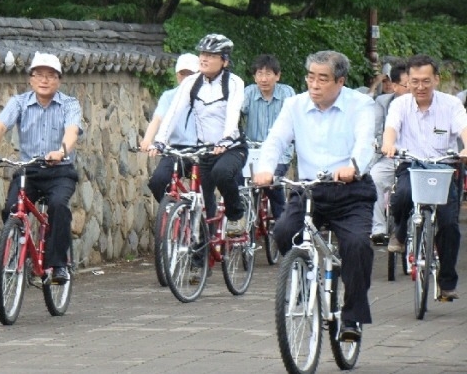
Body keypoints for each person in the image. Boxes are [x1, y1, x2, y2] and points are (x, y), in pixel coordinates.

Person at [254, 50, 377, 342]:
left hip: (351, 190)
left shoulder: (361, 104)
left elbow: (365, 141)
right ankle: (304, 283)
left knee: (357, 246)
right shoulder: (294, 105)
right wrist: (264, 169)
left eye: (323, 78)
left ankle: (352, 316)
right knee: (284, 231)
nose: (315, 85)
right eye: (311, 77)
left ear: (340, 81)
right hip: (309, 189)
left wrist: (354, 166)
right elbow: (275, 141)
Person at [0, 52, 82, 285]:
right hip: (30, 170)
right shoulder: (19, 103)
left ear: (59, 80)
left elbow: (72, 131)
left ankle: (58, 265)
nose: (44, 80)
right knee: (12, 208)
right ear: (31, 79)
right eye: (39, 75)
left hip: (60, 171)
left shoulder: (69, 104)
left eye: (51, 76)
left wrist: (61, 152)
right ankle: (19, 246)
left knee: (57, 207)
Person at [381, 54, 467, 300]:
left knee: (449, 224)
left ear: (436, 80)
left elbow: (464, 128)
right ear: (407, 81)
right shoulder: (400, 105)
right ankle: (399, 231)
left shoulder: (451, 104)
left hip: (444, 167)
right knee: (402, 196)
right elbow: (391, 129)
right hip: (411, 164)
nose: (420, 87)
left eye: (426, 81)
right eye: (415, 81)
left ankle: (447, 283)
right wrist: (388, 145)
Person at [151, 33, 248, 235]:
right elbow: (174, 112)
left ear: (224, 60)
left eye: (211, 55)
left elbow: (233, 112)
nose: (204, 58)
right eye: (202, 53)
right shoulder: (191, 83)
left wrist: (227, 137)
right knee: (203, 197)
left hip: (231, 147)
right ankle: (202, 247)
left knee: (221, 173)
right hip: (203, 148)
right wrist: (160, 140)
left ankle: (236, 214)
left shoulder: (234, 82)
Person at [241, 53, 295, 219]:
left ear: (277, 76)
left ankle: (283, 224)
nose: (264, 79)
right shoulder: (248, 93)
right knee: (241, 185)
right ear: (254, 77)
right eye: (259, 74)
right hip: (252, 151)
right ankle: (242, 222)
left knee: (272, 185)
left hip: (280, 152)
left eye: (268, 74)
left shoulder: (287, 93)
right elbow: (235, 113)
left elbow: (294, 120)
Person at [141, 53, 199, 202]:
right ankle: (173, 212)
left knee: (207, 187)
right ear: (177, 75)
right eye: (183, 74)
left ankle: (208, 223)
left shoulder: (205, 97)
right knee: (157, 182)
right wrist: (147, 140)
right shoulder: (169, 96)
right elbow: (157, 119)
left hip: (201, 150)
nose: (186, 78)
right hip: (175, 150)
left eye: (191, 74)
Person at [369, 63, 410, 244]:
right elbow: (376, 129)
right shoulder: (382, 103)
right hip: (389, 157)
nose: (413, 89)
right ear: (394, 86)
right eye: (407, 85)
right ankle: (378, 228)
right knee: (374, 178)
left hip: (414, 160)